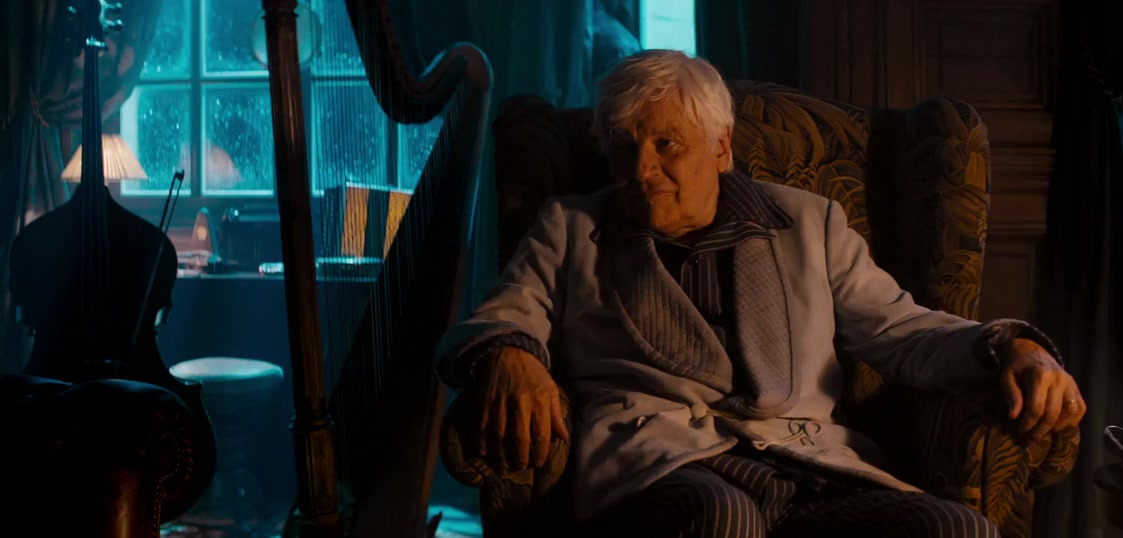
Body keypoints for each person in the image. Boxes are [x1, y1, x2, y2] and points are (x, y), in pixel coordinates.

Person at [435, 49, 1085, 538]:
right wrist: (511, 353)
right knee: (724, 517)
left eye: (666, 144)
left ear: (721, 147)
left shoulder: (809, 221)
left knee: (955, 528)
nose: (641, 171)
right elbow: (503, 312)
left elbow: (900, 329)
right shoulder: (571, 225)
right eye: (622, 148)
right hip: (662, 469)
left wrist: (1010, 346)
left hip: (810, 466)